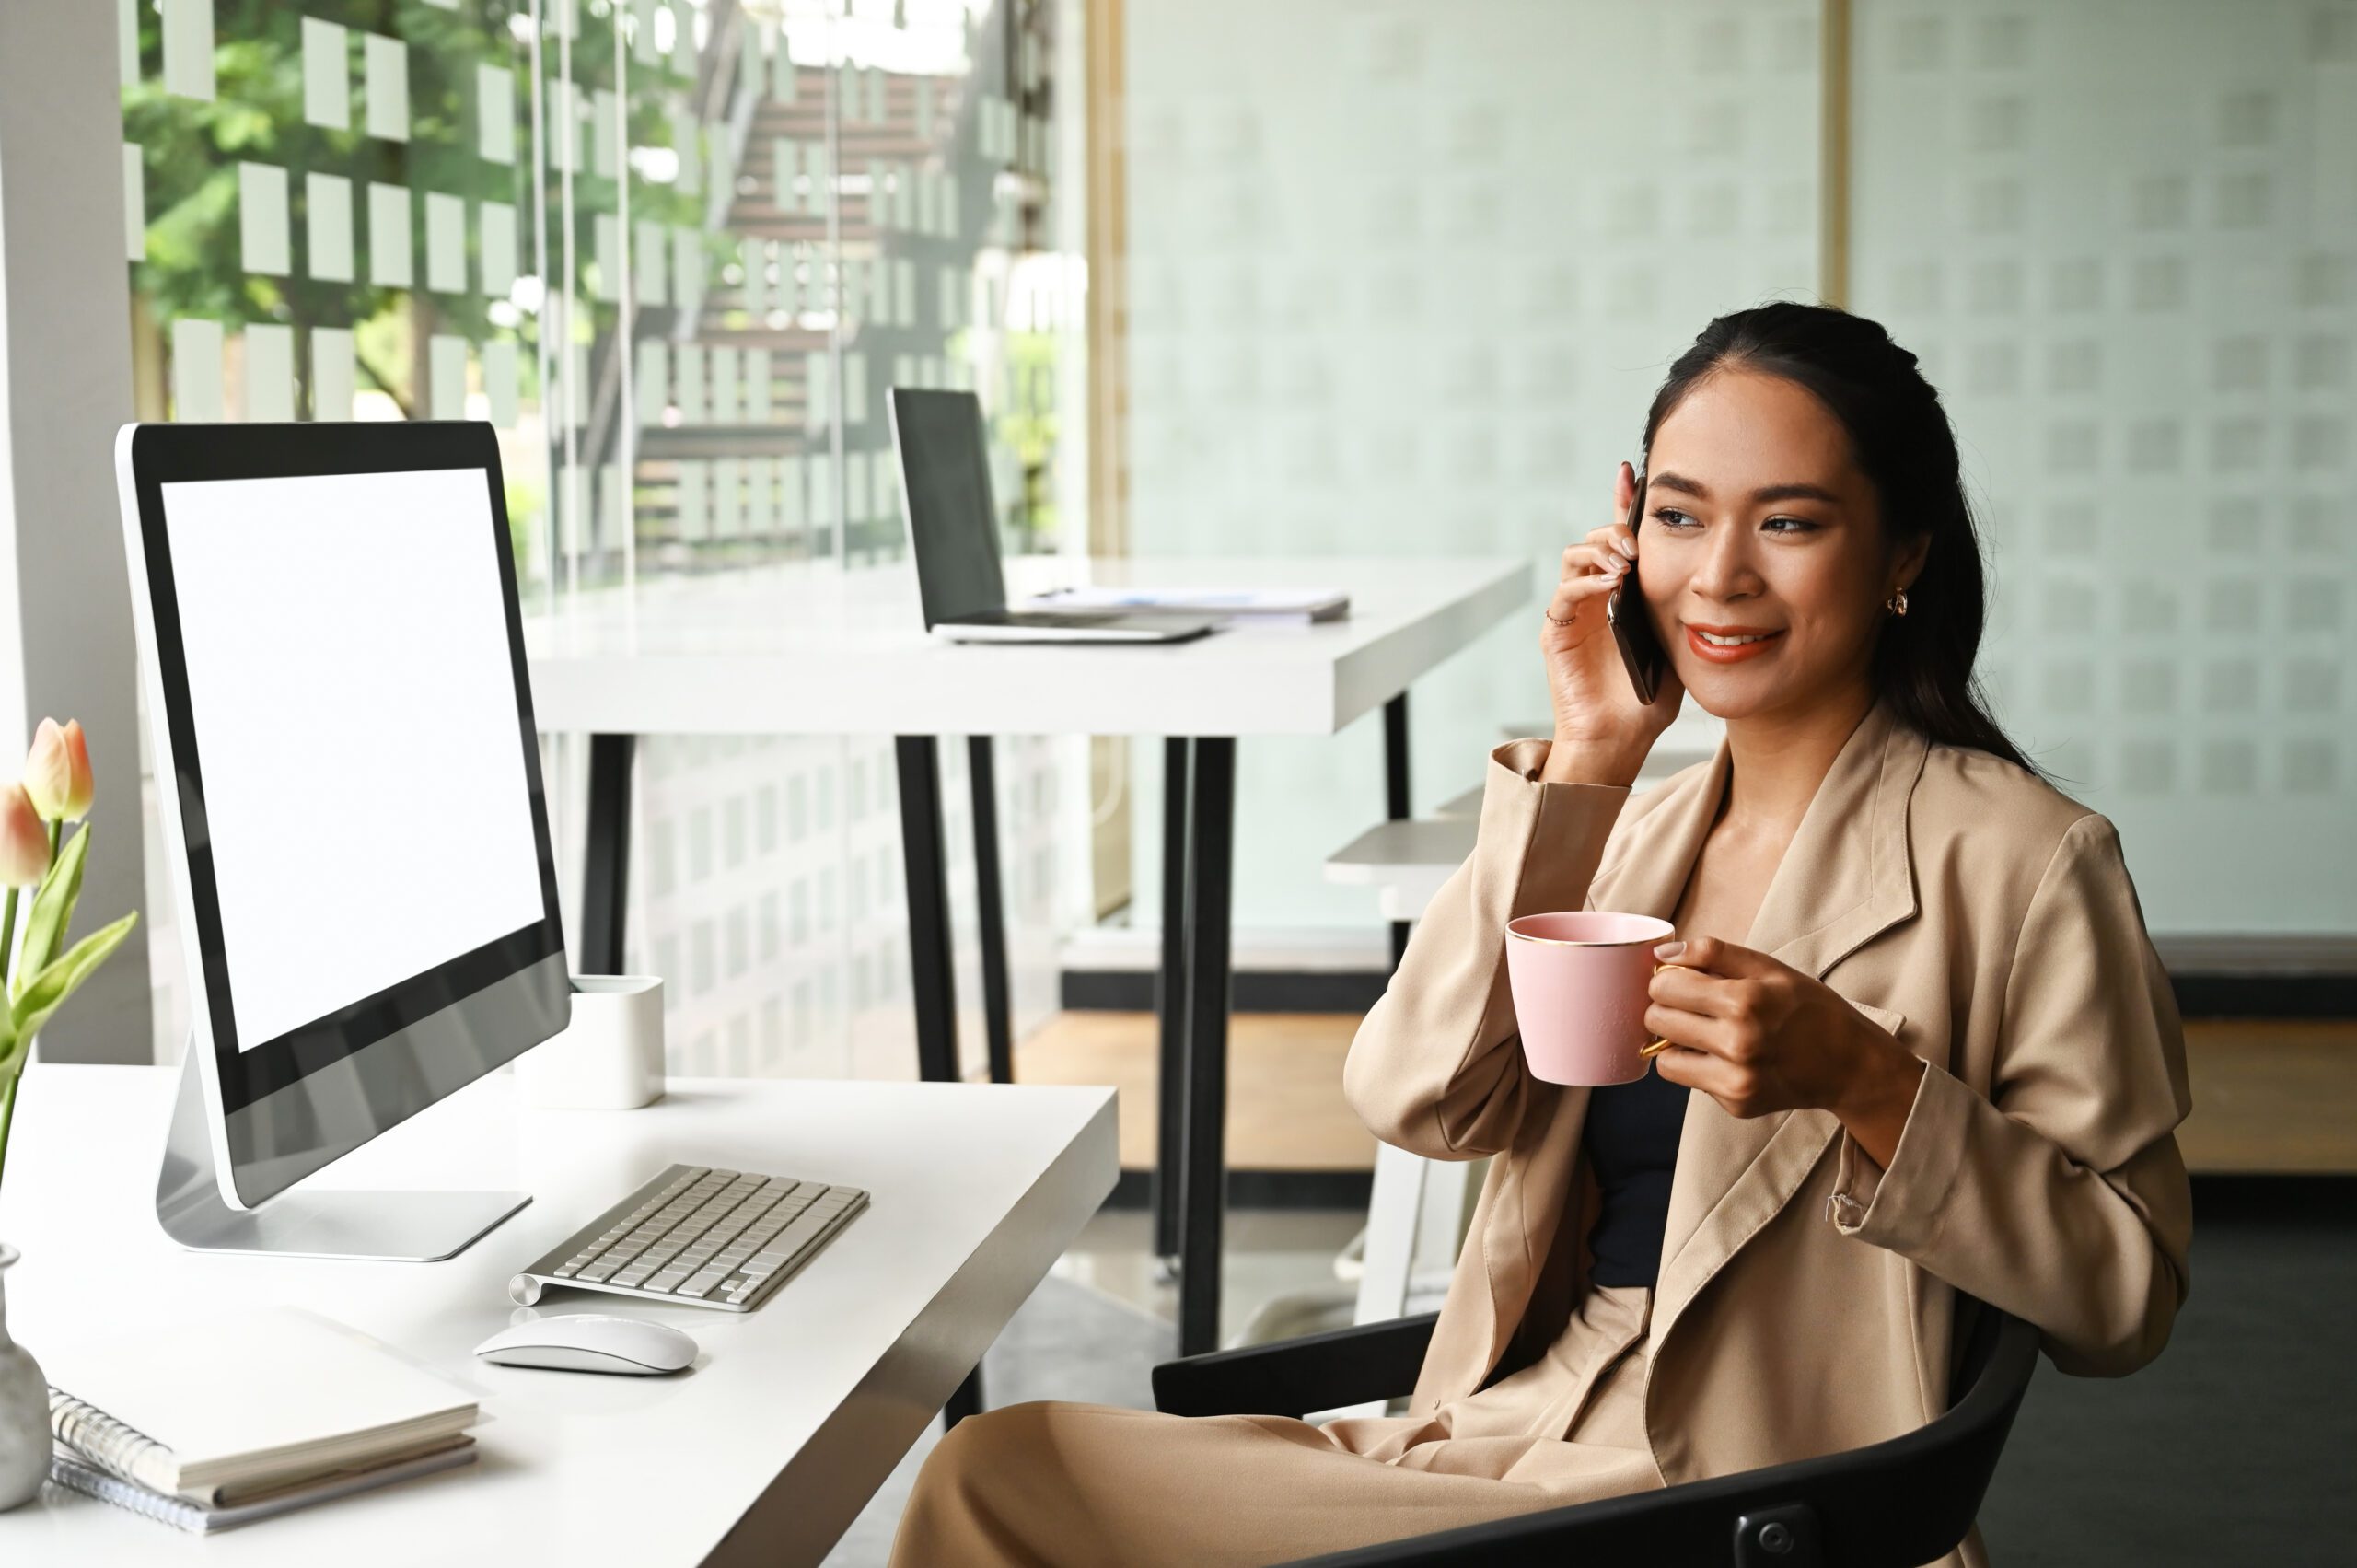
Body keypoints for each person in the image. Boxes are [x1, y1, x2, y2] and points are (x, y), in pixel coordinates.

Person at [888, 302, 2192, 1568]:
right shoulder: (1633, 832)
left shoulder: (2021, 861)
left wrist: (1869, 1084)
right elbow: (1416, 1099)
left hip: (1725, 1504)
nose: (1720, 575)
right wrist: (1587, 764)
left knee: (999, 1492)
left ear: (1906, 553)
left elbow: (2123, 1299)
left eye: (1788, 523)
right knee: (1002, 1476)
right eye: (1679, 517)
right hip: (1501, 1440)